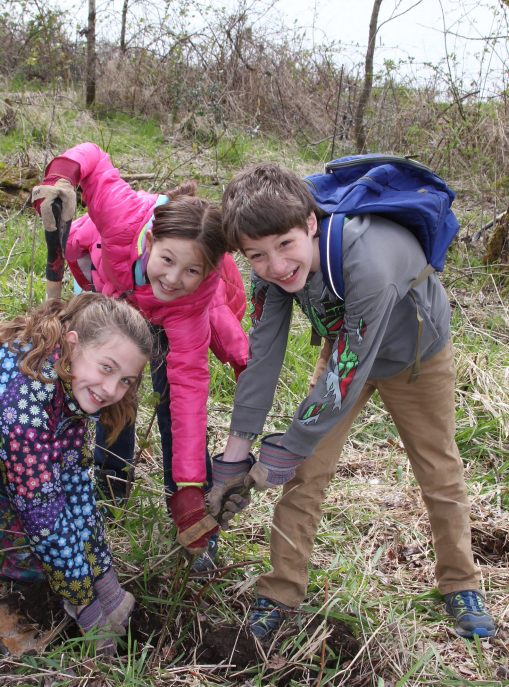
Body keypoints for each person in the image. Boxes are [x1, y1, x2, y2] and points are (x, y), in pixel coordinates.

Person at [209, 162, 496, 641]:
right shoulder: (271, 273)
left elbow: (347, 374)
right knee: (306, 473)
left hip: (414, 356)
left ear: (309, 223)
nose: (276, 267)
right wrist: (235, 458)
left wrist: (283, 451)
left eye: (285, 246)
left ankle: (461, 583)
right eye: (256, 256)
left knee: (438, 469)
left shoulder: (370, 262)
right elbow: (263, 355)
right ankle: (280, 591)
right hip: (346, 347)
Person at [0, 292, 152, 685]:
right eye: (106, 368)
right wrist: (84, 603)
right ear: (72, 345)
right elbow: (43, 511)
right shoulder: (26, 398)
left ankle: (24, 573)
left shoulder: (67, 392)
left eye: (125, 380)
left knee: (35, 467)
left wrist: (105, 581)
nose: (110, 389)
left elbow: (74, 487)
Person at [32, 143, 248, 570]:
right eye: (167, 260)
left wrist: (188, 489)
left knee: (172, 403)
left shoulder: (193, 298)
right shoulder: (120, 217)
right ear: (150, 241)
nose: (174, 277)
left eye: (191, 270)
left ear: (208, 272)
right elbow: (91, 156)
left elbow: (190, 399)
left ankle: (191, 503)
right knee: (112, 385)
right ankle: (110, 488)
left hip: (181, 315)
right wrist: (62, 174)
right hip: (117, 290)